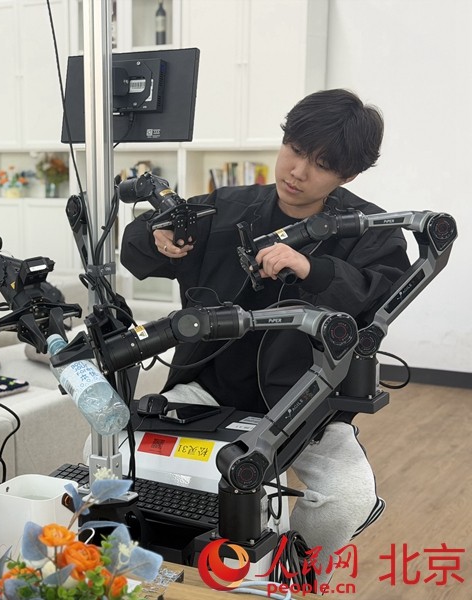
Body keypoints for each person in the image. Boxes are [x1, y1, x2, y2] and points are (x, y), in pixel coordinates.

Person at [121, 89, 411, 582]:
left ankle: (295, 576)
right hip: (207, 391)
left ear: (348, 176)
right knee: (118, 455)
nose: (297, 171)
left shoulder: (371, 230)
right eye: (294, 150)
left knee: (348, 498)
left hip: (307, 403)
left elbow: (378, 296)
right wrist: (155, 237)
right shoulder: (225, 208)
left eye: (321, 165)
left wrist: (314, 269)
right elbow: (139, 251)